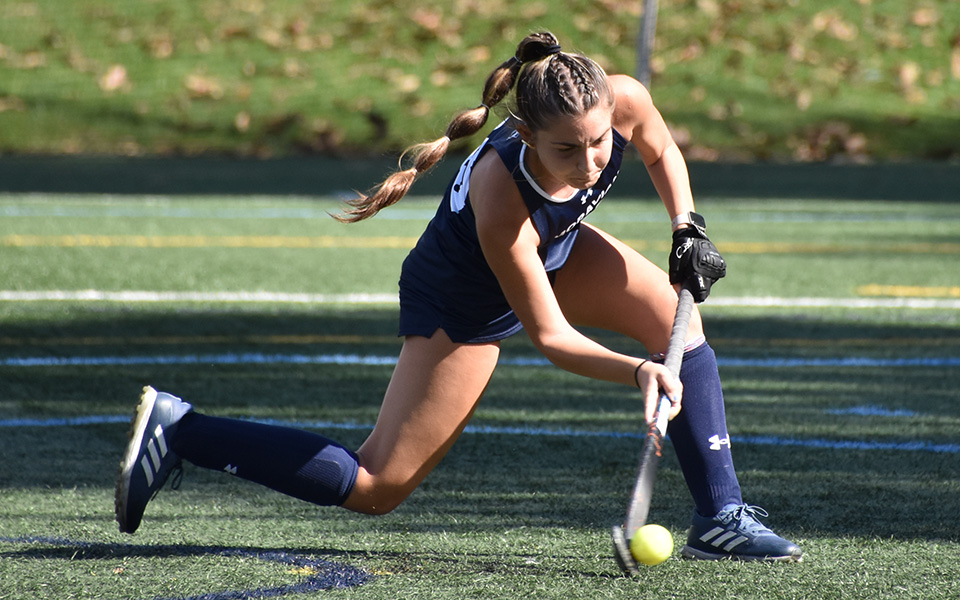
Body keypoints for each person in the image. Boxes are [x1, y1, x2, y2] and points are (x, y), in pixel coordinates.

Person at [115, 32, 801, 563]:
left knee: (674, 325)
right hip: (465, 298)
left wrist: (686, 226)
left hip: (554, 250)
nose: (592, 162)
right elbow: (551, 337)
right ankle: (183, 431)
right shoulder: (501, 199)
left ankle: (721, 518)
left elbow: (657, 151)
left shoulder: (619, 99)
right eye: (568, 150)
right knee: (378, 486)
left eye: (598, 141)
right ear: (527, 135)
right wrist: (639, 371)